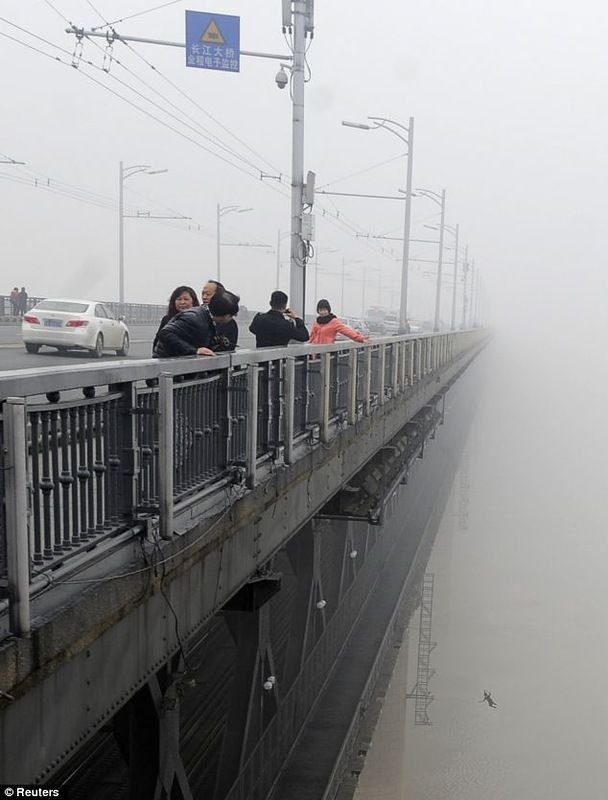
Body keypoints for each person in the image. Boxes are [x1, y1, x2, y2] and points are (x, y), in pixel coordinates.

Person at [154, 291, 240, 358]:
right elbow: (165, 333)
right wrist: (195, 350)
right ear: (226, 315)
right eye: (232, 315)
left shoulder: (207, 317)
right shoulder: (194, 318)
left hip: (178, 361)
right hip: (168, 364)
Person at [152, 285, 199, 354]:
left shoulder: (199, 320)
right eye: (179, 299)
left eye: (186, 299)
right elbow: (158, 341)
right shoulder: (167, 320)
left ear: (193, 302)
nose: (182, 302)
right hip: (169, 357)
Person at [201, 279, 239, 350]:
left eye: (208, 294)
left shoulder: (229, 323)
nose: (204, 297)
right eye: (203, 294)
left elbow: (229, 348)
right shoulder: (196, 317)